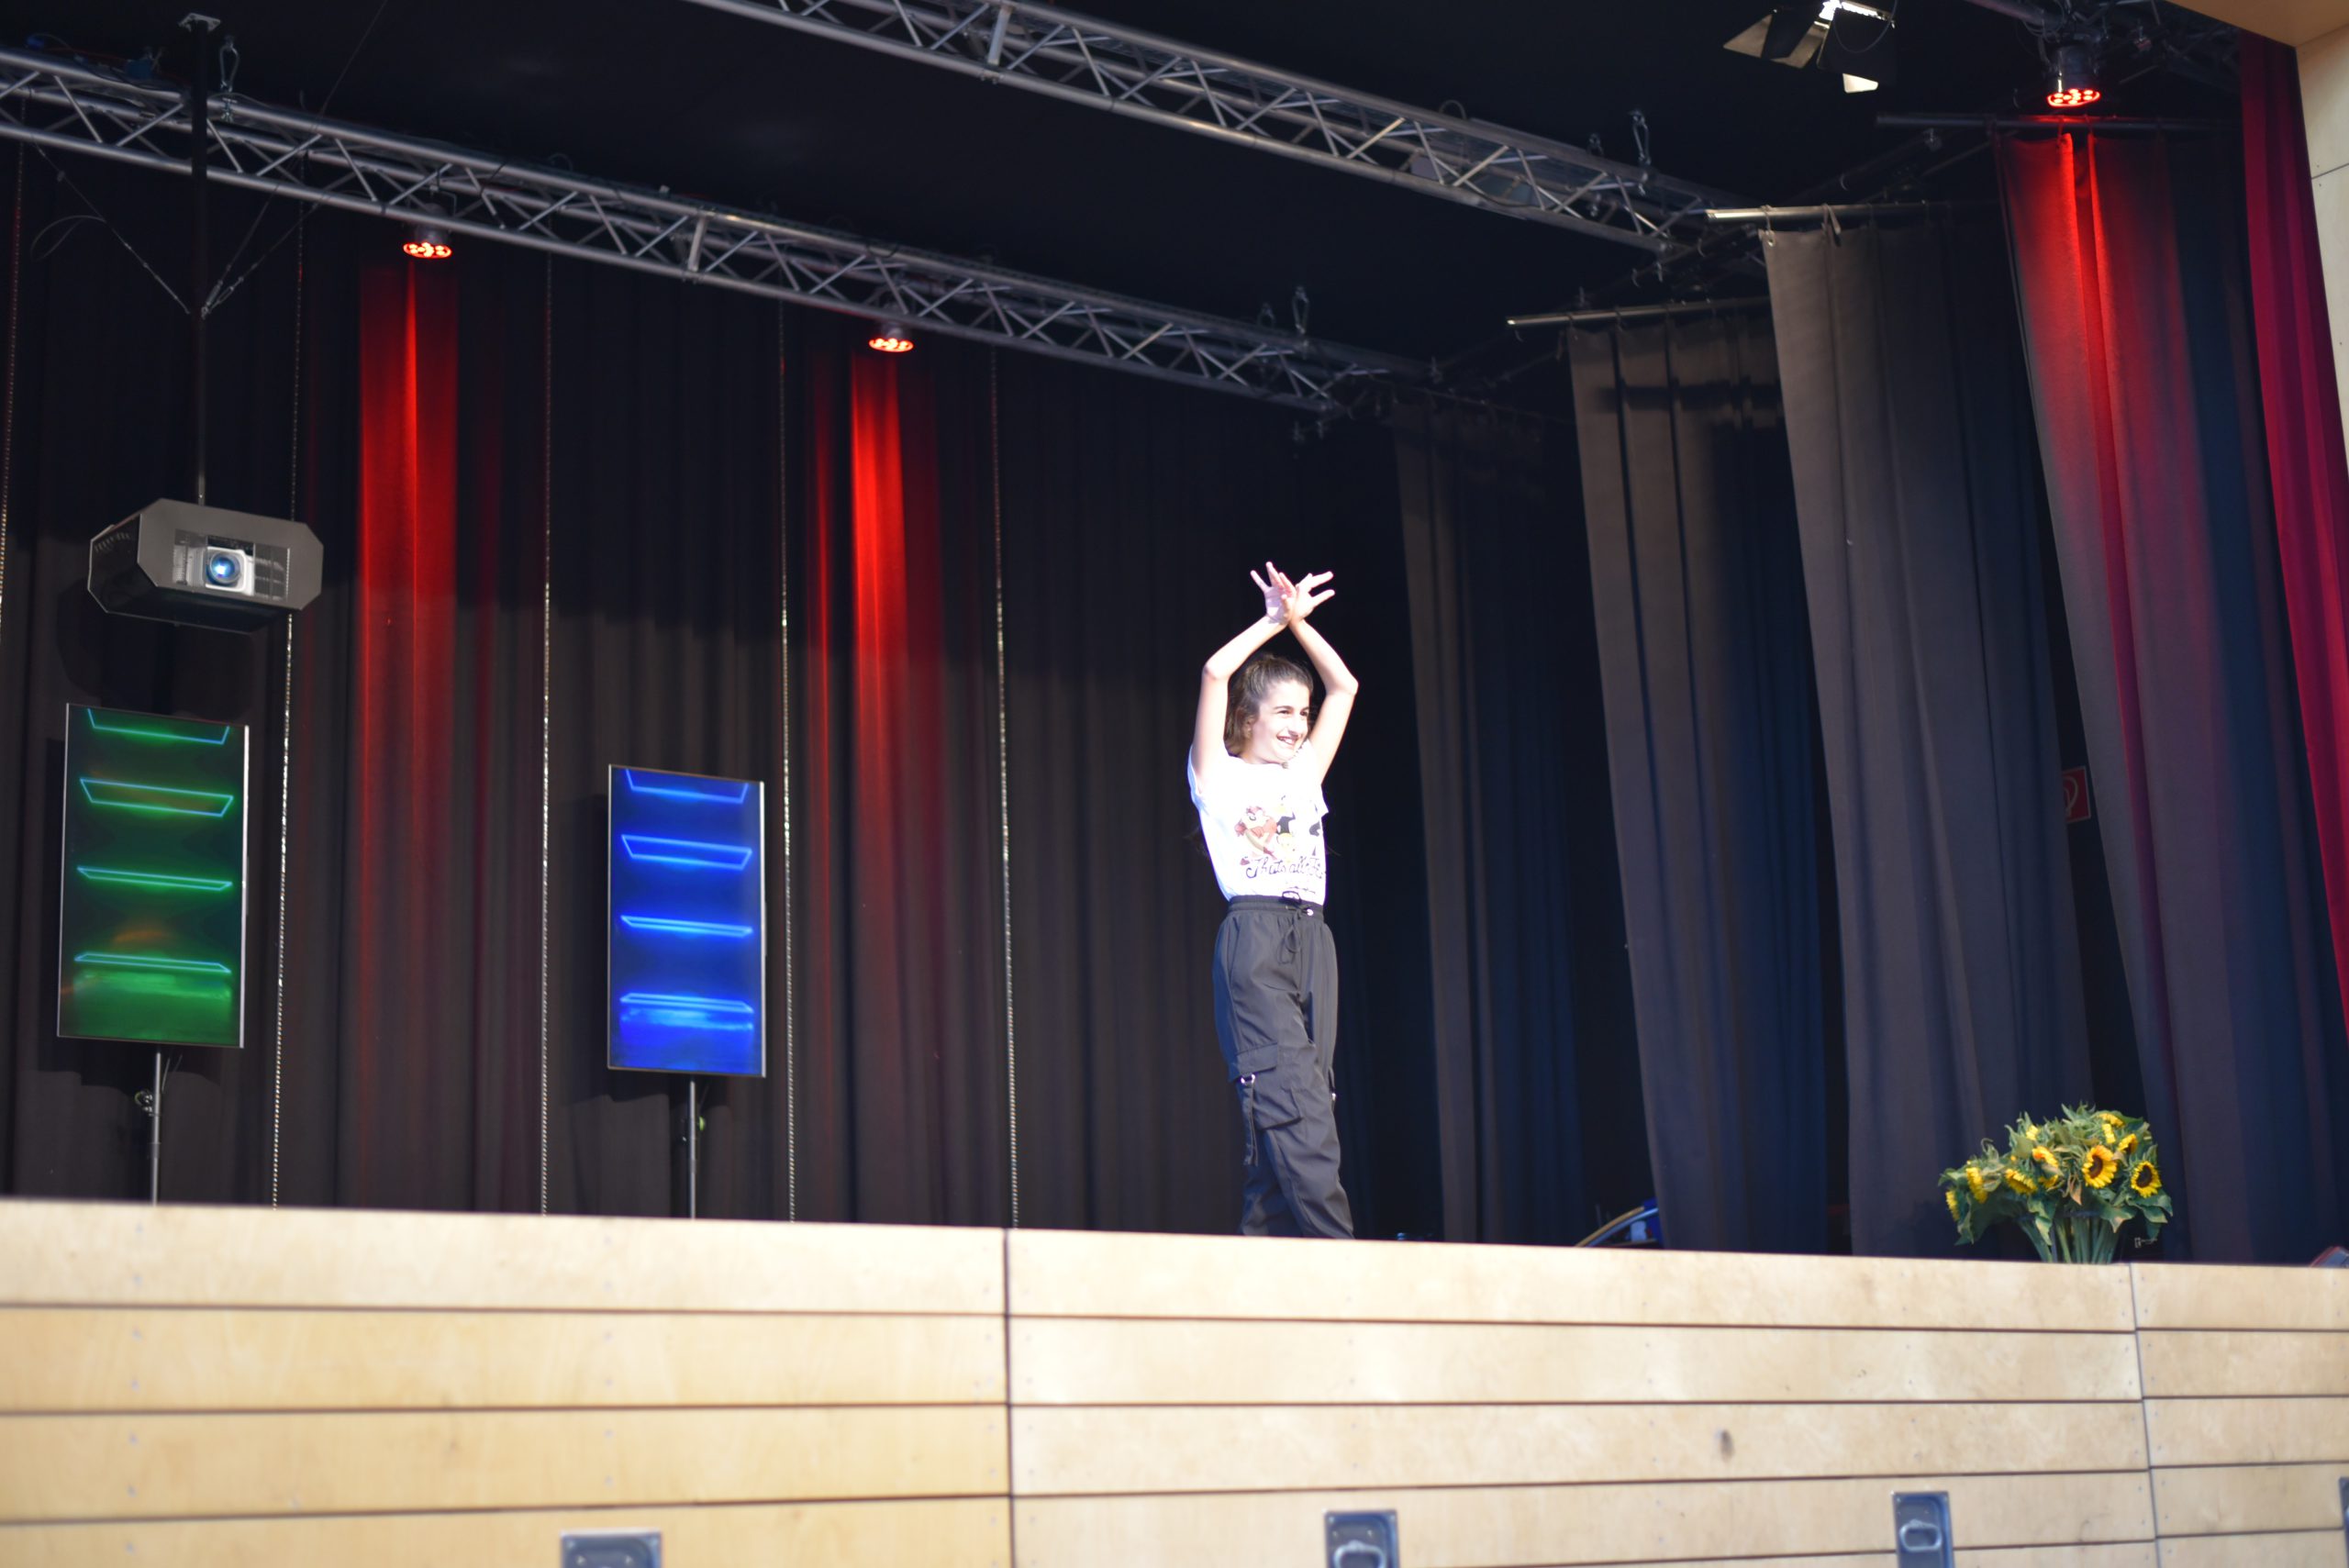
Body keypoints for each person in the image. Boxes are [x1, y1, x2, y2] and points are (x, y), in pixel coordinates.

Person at [1187, 561, 1358, 1238]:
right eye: (1283, 711)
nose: (1296, 725)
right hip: (1256, 940)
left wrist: (1301, 625)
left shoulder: (1303, 773)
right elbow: (1214, 673)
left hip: (1313, 939)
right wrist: (1270, 622)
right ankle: (1346, 1265)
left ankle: (1265, 1265)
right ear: (1248, 718)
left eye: (1302, 713)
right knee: (1296, 1109)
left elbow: (1345, 686)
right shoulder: (1218, 776)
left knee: (1295, 1114)